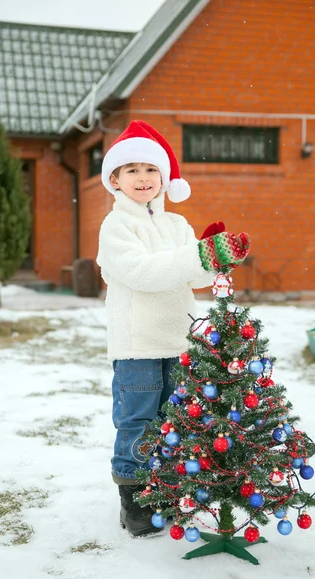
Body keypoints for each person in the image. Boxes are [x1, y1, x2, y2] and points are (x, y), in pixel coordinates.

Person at [97, 120, 247, 538]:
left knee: (174, 419)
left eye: (150, 170)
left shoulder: (177, 225)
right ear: (115, 180)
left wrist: (214, 256)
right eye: (132, 170)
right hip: (137, 344)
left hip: (179, 341)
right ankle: (135, 499)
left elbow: (193, 278)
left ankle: (165, 488)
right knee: (139, 421)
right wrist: (199, 254)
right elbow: (143, 272)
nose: (143, 178)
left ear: (164, 177)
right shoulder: (117, 227)